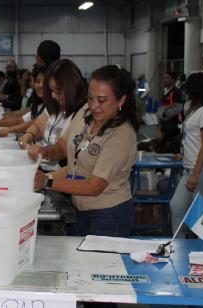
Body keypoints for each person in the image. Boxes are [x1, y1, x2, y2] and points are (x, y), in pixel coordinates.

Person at [33, 65, 139, 237]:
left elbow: (94, 186)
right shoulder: (85, 113)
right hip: (79, 210)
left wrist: (47, 181)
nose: (95, 106)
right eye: (91, 98)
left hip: (108, 216)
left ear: (121, 100)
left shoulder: (121, 135)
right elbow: (65, 150)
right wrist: (43, 153)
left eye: (102, 100)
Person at [19, 59, 88, 172]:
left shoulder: (82, 114)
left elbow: (63, 149)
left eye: (58, 90)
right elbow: (38, 126)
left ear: (72, 86)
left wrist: (43, 152)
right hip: (43, 168)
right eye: (51, 90)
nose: (53, 96)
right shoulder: (55, 105)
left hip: (60, 175)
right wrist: (29, 135)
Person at [170, 72, 203, 238]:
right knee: (176, 206)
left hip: (200, 170)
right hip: (189, 169)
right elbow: (192, 139)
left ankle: (201, 255)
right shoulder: (195, 109)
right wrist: (183, 155)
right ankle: (178, 247)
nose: (184, 89)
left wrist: (196, 173)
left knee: (200, 218)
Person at [0, 65, 48, 137]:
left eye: (31, 81)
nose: (30, 83)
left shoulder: (46, 105)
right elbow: (22, 118)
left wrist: (9, 128)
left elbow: (34, 122)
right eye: (37, 81)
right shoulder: (35, 99)